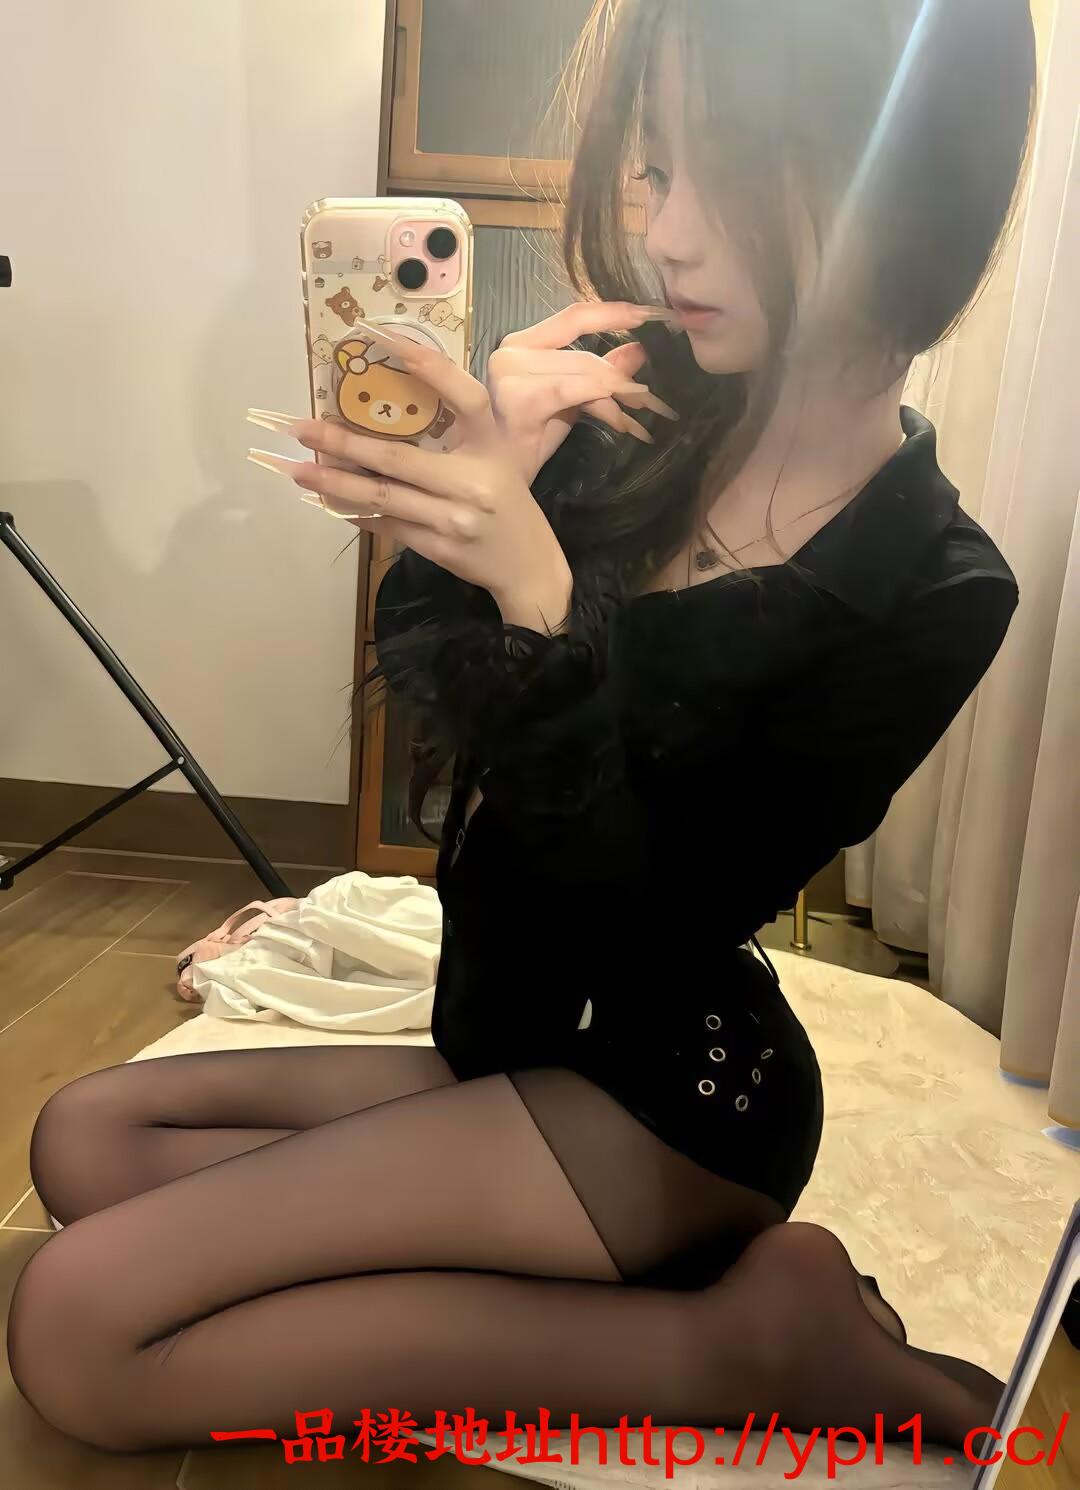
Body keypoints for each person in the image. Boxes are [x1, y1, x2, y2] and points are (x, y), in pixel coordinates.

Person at [8, 0, 1035, 1455]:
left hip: (670, 1097)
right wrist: (459, 503)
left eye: (729, 175)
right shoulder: (648, 402)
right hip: (510, 1032)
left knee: (80, 1331)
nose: (668, 235)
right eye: (655, 168)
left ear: (910, 181)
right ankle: (596, 1295)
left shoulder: (931, 583)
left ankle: (737, 1347)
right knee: (88, 1137)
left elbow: (660, 916)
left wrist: (544, 602)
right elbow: (436, 697)